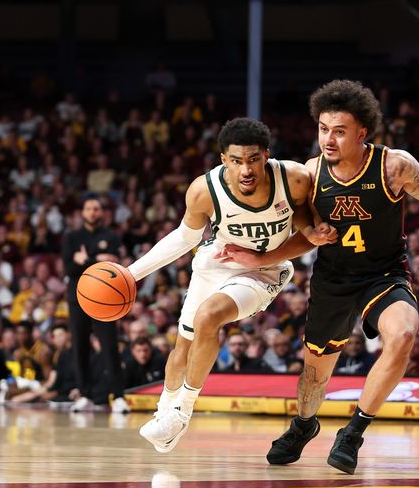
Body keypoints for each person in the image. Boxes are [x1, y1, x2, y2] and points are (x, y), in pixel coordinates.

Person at [217, 79, 419, 475]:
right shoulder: (309, 175)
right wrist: (256, 256)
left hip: (383, 274)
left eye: (339, 131)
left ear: (362, 133)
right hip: (333, 278)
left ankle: (354, 431)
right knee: (315, 372)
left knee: (402, 334)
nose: (328, 139)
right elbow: (306, 239)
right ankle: (304, 424)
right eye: (323, 129)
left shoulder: (394, 166)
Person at [133, 118, 334, 453]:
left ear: (266, 156)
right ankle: (164, 415)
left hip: (265, 269)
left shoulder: (295, 178)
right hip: (217, 262)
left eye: (254, 159)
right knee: (182, 349)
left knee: (209, 316)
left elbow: (307, 230)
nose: (246, 170)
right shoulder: (203, 190)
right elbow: (185, 238)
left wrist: (312, 233)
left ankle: (182, 411)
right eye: (237, 161)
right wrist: (132, 273)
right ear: (224, 159)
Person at [61, 196, 130, 414]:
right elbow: (69, 269)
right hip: (78, 297)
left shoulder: (110, 236)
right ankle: (85, 395)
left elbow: (115, 266)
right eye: (89, 208)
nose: (92, 212)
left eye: (96, 208)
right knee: (79, 346)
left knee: (110, 345)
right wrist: (97, 259)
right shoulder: (71, 237)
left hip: (106, 299)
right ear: (82, 212)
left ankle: (118, 396)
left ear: (102, 212)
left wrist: (86, 260)